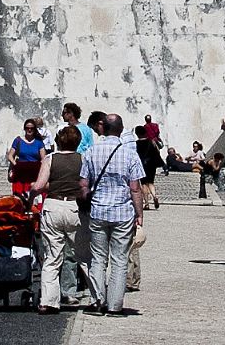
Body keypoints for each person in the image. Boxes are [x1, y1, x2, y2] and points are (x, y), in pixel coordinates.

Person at [80, 112, 146, 317]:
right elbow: (135, 188)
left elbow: (83, 185)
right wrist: (139, 214)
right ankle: (115, 306)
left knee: (98, 258)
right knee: (119, 259)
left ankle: (97, 301)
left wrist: (86, 203)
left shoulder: (92, 151)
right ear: (120, 129)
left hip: (98, 210)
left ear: (103, 128)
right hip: (122, 212)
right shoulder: (129, 153)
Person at [31, 123, 89, 313]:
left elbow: (39, 186)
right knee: (82, 255)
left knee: (52, 257)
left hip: (53, 206)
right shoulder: (83, 159)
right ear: (78, 142)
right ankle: (98, 296)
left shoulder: (50, 159)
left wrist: (30, 196)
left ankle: (48, 301)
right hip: (75, 207)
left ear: (58, 141)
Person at [8, 117, 47, 197]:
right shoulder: (18, 140)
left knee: (33, 197)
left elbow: (44, 158)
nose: (29, 130)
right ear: (24, 129)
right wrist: (16, 165)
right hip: (20, 173)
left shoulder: (39, 142)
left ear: (34, 129)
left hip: (34, 173)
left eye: (31, 128)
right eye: (27, 128)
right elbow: (10, 156)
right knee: (19, 197)